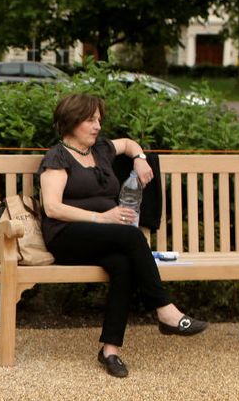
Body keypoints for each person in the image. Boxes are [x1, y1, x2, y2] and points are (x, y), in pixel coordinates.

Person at [37, 93, 207, 378]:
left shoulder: (100, 150)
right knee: (132, 237)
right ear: (72, 121)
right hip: (67, 236)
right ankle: (165, 311)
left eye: (99, 120)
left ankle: (110, 350)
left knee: (123, 264)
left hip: (102, 235)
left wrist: (139, 158)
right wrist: (101, 218)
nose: (97, 126)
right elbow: (53, 208)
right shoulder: (58, 156)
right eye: (91, 120)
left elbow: (127, 144)